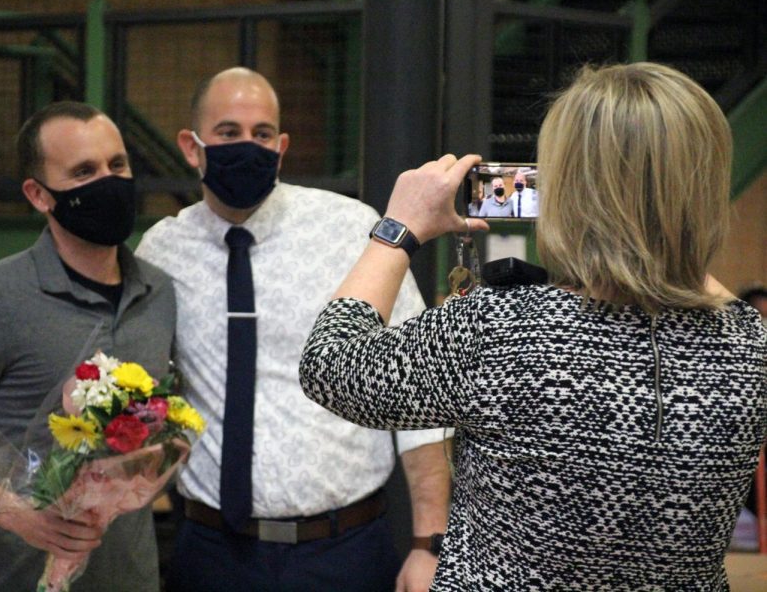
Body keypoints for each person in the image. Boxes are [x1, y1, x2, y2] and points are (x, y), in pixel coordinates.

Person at [299, 62, 766, 589]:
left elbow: (331, 365)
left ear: (570, 189)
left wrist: (397, 228)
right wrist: (667, 240)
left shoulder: (504, 330)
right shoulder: (749, 344)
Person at [136, 67, 450, 592]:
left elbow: (417, 392)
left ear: (281, 147)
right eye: (228, 133)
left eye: (262, 135)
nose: (247, 146)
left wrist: (428, 544)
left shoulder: (351, 230)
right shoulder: (162, 251)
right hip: (211, 551)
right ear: (192, 147)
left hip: (345, 548)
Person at [0, 101, 176, 591]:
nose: (108, 181)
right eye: (84, 171)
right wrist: (19, 516)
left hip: (130, 579)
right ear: (38, 194)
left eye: (118, 165)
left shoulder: (159, 294)